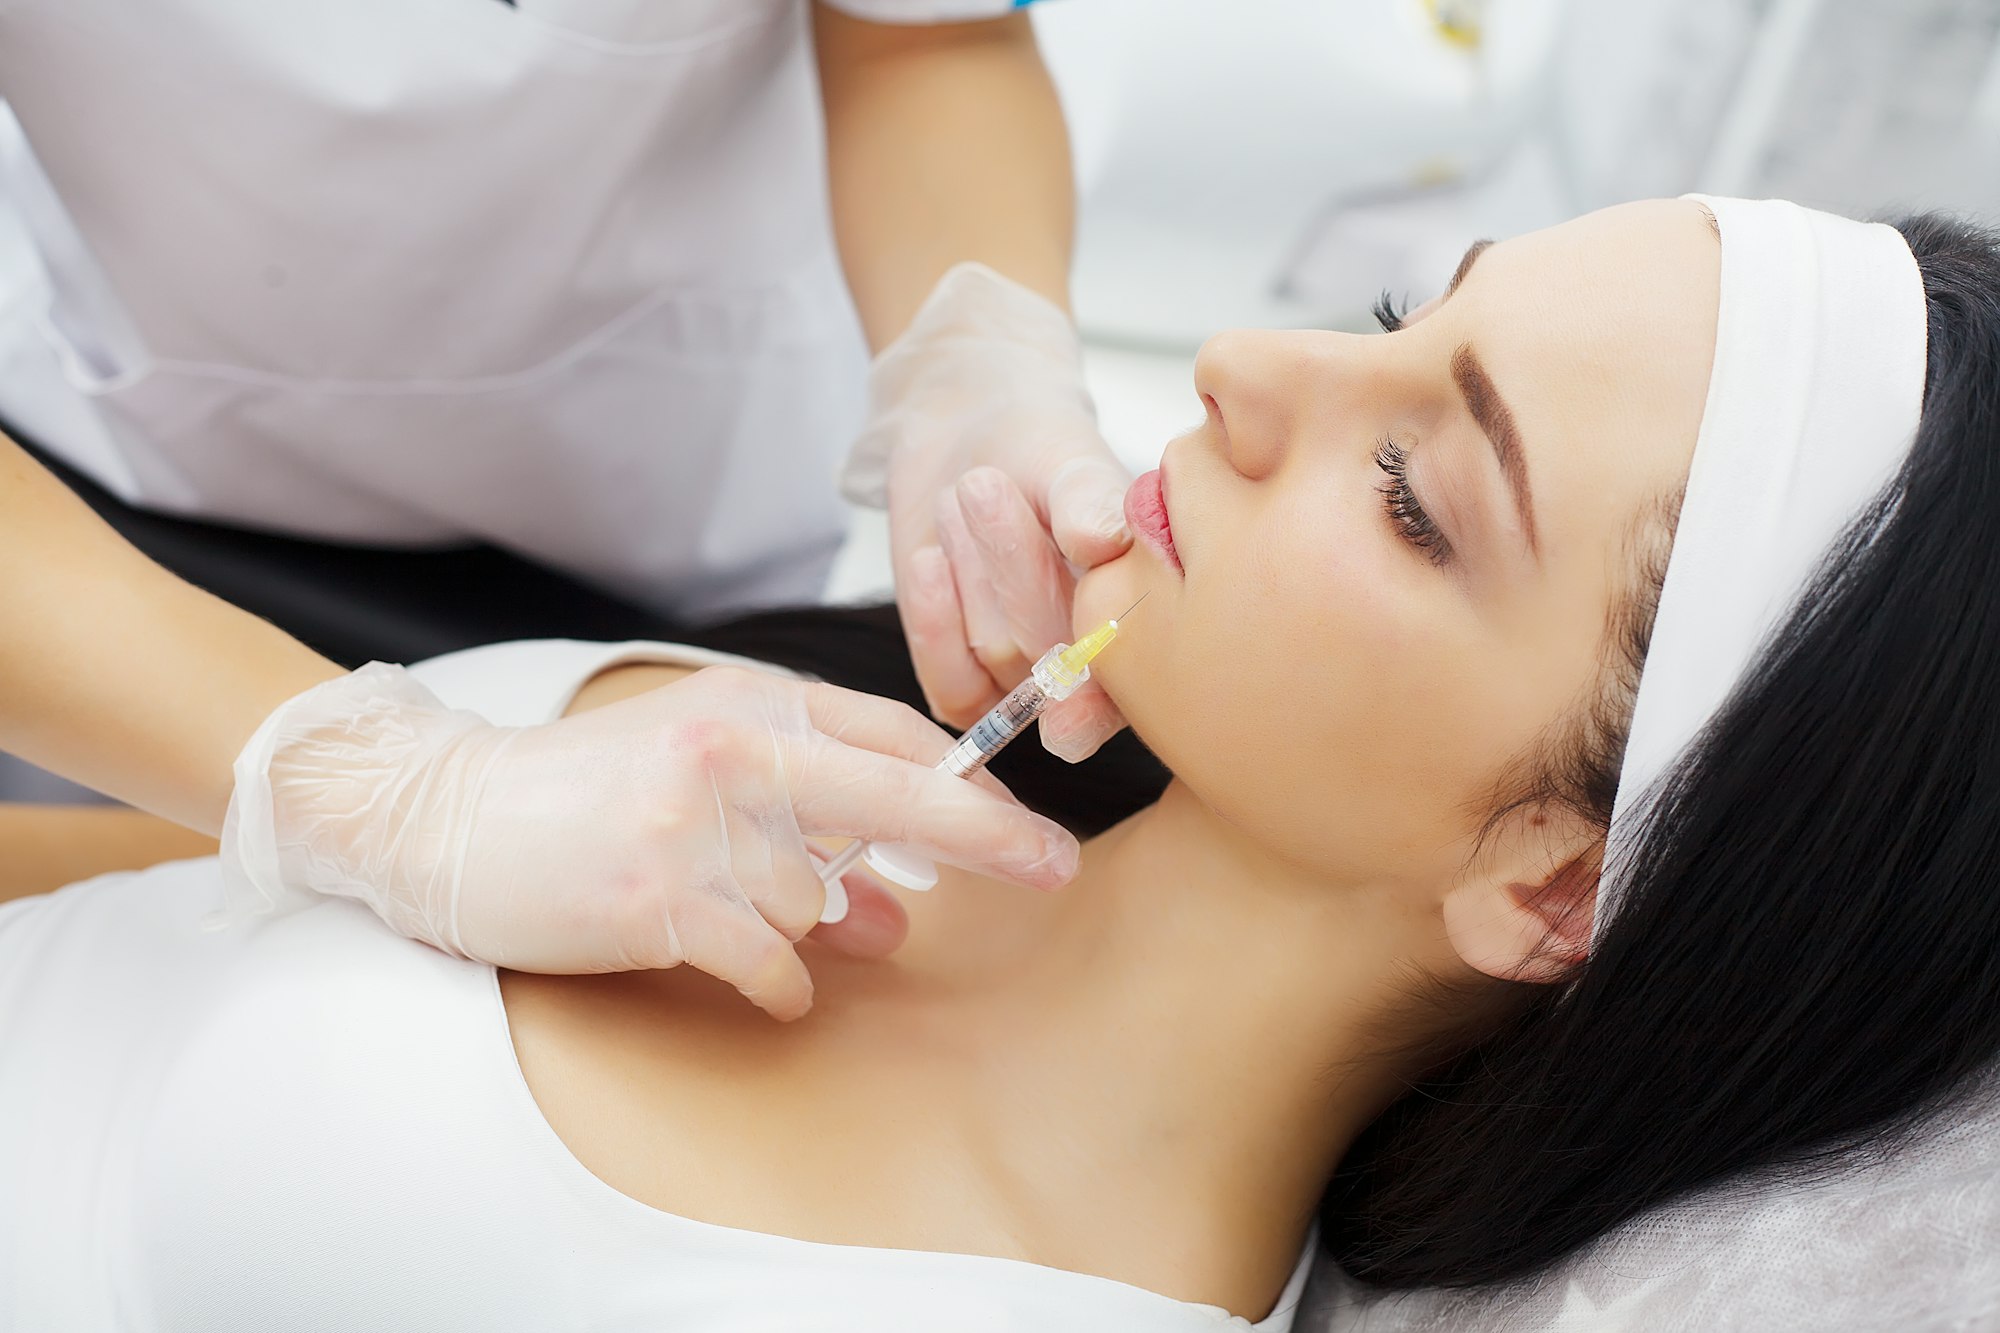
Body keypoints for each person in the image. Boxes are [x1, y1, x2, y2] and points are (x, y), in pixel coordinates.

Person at [7, 194, 1999, 1327]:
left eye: (1413, 486)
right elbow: (160, 904)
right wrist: (346, 775)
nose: (1250, 366)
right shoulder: (855, 748)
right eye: (1400, 308)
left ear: (1554, 878)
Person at [0, 0, 1132, 755]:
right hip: (115, 496)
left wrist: (977, 354)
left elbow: (924, 36)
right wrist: (372, 805)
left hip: (668, 497)